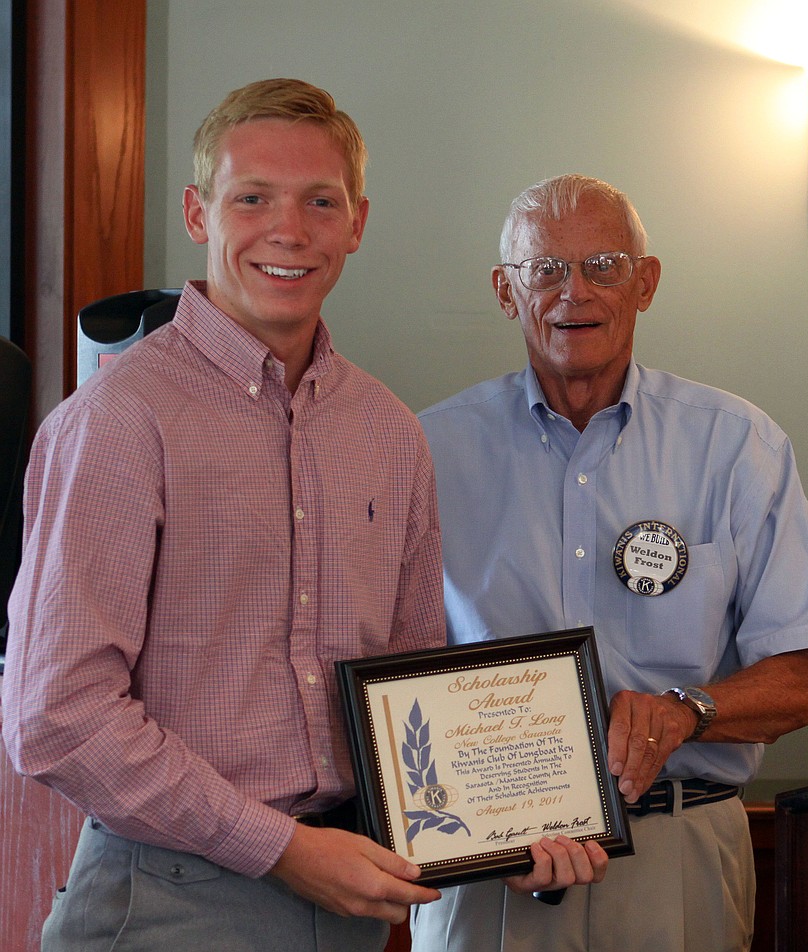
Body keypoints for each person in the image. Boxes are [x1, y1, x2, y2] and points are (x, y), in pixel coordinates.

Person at [1, 82, 604, 952]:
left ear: (356, 222)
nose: (289, 230)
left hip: (350, 895)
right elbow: (56, 716)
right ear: (199, 212)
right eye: (252, 197)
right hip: (167, 901)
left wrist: (494, 829)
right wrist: (280, 849)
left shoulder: (388, 431)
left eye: (320, 201)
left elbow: (406, 686)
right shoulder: (118, 423)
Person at [410, 173, 808, 952]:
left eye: (603, 265)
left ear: (644, 283)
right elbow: (381, 666)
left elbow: (807, 679)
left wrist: (688, 710)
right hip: (488, 874)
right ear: (505, 292)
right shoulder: (423, 452)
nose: (572, 292)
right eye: (543, 269)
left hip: (678, 853)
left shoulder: (737, 446)